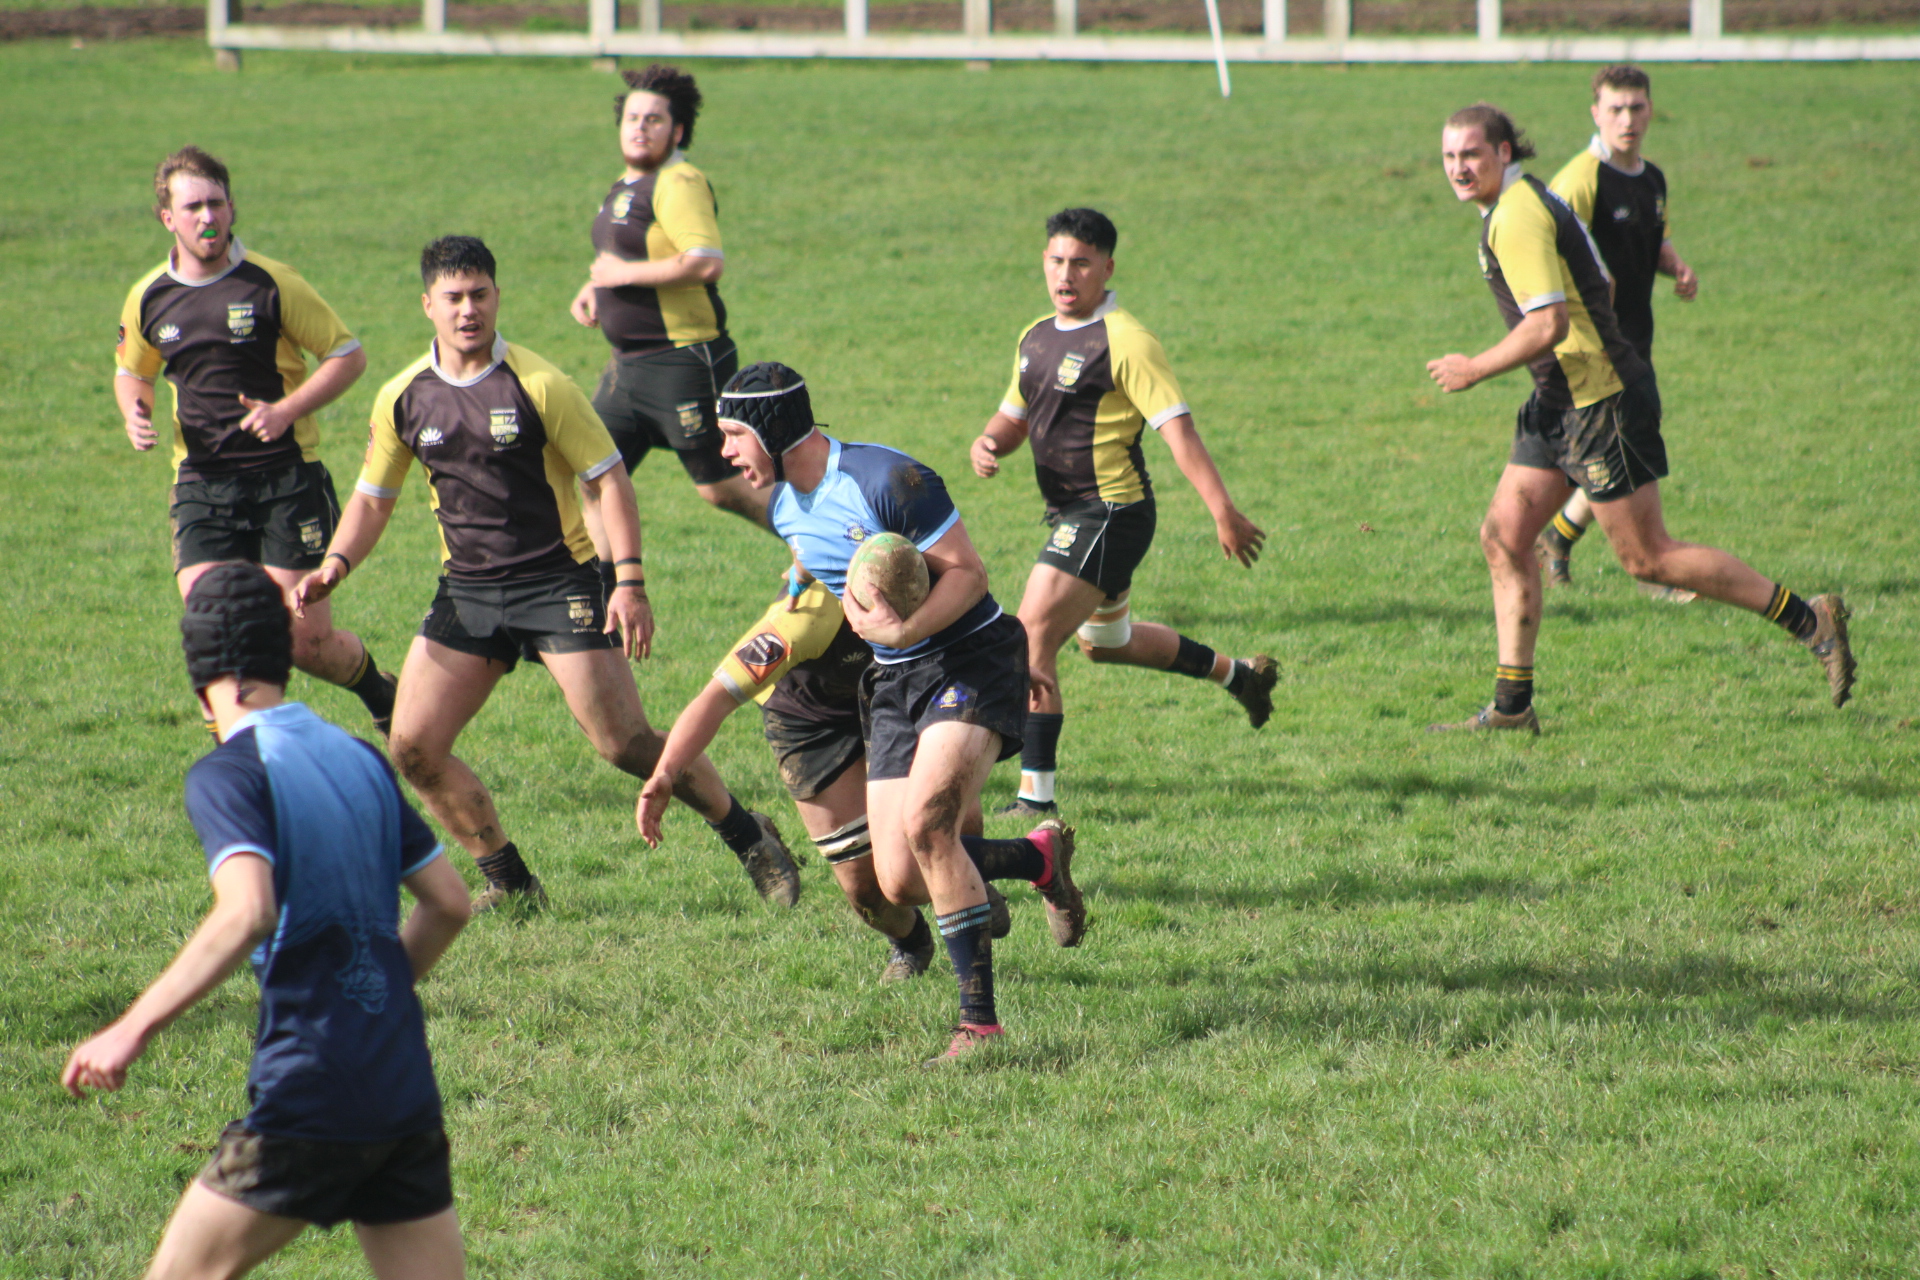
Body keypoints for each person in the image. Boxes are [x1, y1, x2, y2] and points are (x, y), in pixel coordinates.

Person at [294, 236, 798, 911]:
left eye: (479, 294)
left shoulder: (538, 384)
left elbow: (610, 480)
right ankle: (510, 879)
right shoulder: (403, 398)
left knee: (624, 743)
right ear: (427, 305)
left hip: (559, 584)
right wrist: (336, 563)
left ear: (497, 297)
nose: (468, 310)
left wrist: (630, 582)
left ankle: (746, 833)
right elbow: (371, 498)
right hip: (468, 593)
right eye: (454, 298)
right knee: (413, 747)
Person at [62, 561, 470, 1280]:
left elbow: (248, 910)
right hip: (401, 1089)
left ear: (203, 688)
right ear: (282, 660)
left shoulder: (231, 772)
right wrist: (375, 992)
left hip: (310, 1091)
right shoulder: (360, 758)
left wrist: (131, 1028)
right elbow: (449, 903)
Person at [1425, 104, 1854, 732]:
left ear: (1504, 154)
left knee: (1648, 558)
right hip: (1559, 401)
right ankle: (1513, 708)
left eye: (1472, 155)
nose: (1460, 168)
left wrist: (1475, 368)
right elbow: (1600, 280)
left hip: (1601, 404)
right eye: (1449, 157)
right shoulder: (1532, 200)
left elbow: (1549, 323)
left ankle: (1810, 620)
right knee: (1505, 538)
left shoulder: (1516, 216)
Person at [708, 361, 1086, 1067]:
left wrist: (906, 632)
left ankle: (979, 1028)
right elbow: (828, 549)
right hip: (893, 686)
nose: (724, 451)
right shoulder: (786, 504)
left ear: (771, 429)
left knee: (927, 827)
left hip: (968, 661)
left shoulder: (888, 480)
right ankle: (1037, 858)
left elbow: (968, 573)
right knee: (900, 880)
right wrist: (805, 570)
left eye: (733, 434)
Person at [969, 208, 1276, 817]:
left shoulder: (1127, 341)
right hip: (1075, 515)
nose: (1066, 274)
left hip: (1109, 513)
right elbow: (1017, 413)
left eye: (1081, 262)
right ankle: (1239, 676)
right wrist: (988, 441)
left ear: (1107, 268)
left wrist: (1224, 511)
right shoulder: (1035, 335)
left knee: (1029, 642)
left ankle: (1035, 800)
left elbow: (1179, 432)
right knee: (1106, 644)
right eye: (1056, 260)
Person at [637, 577, 1079, 982]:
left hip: (903, 695)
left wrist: (1006, 667)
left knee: (951, 827)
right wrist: (664, 773)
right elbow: (715, 698)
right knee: (866, 889)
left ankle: (977, 889)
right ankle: (913, 942)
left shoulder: (924, 577)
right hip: (811, 724)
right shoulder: (803, 620)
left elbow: (975, 621)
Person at [115, 146, 396, 738]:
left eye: (216, 202)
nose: (207, 217)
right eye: (192, 206)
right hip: (201, 484)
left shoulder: (270, 283)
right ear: (167, 217)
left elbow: (347, 355)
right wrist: (134, 413)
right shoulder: (149, 297)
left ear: (232, 205)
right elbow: (133, 370)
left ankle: (378, 689)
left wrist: (288, 408)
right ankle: (240, 764)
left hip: (285, 478)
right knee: (214, 626)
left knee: (304, 641)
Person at [569, 62, 768, 600]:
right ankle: (604, 599)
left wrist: (621, 277)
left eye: (654, 119)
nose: (640, 127)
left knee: (721, 488)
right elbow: (621, 253)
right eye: (632, 117)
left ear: (677, 131)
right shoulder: (625, 184)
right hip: (627, 369)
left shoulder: (680, 182)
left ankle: (825, 548)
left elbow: (705, 261)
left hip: (683, 362)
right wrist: (597, 289)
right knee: (591, 475)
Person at [1536, 64, 1702, 591]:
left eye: (1636, 107)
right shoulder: (1579, 180)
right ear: (1596, 113)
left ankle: (1559, 538)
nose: (1627, 119)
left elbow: (1650, 239)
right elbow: (1549, 255)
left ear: (1651, 110)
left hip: (1635, 337)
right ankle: (1658, 568)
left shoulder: (1651, 178)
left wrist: (1675, 265)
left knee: (1617, 448)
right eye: (1615, 109)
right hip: (1595, 345)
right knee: (1628, 448)